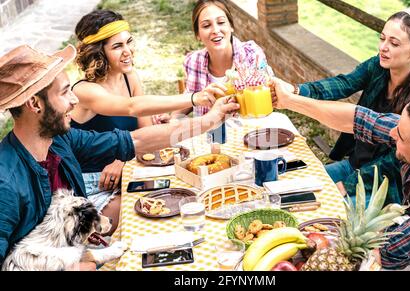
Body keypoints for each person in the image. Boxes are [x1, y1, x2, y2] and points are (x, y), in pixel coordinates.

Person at [0, 44, 239, 270]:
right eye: (64, 93)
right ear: (34, 103)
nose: (74, 100)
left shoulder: (61, 140)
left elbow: (135, 141)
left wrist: (208, 121)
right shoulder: (5, 183)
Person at [69, 9, 228, 228]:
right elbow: (132, 107)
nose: (128, 52)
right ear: (98, 53)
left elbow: (144, 134)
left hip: (128, 171)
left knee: (186, 195)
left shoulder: (129, 77)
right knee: (143, 219)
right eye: (117, 46)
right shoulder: (84, 91)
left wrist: (121, 159)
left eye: (129, 42)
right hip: (91, 184)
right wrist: (194, 98)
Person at [273, 78, 410, 270]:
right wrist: (288, 100)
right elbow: (360, 119)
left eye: (400, 136)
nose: (391, 133)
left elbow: (389, 252)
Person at [279, 8, 410, 205]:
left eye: (394, 43)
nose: (383, 47)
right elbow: (344, 84)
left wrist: (347, 185)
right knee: (291, 189)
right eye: (382, 38)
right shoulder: (378, 66)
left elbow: (396, 161)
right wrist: (295, 90)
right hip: (353, 164)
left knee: (321, 208)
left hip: (384, 185)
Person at [170, 0, 268, 118]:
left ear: (231, 26)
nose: (216, 30)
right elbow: (190, 99)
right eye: (206, 26)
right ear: (198, 35)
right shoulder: (193, 61)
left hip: (249, 131)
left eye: (221, 22)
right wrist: (172, 118)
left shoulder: (251, 54)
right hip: (209, 133)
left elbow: (264, 96)